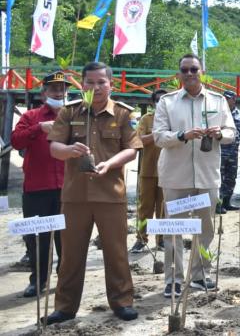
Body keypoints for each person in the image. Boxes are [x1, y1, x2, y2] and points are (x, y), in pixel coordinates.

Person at [46, 62, 142, 323]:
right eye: (90, 82)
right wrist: (69, 151)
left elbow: (132, 149)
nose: (96, 87)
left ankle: (122, 303)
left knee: (116, 252)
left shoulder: (123, 114)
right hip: (75, 195)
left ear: (111, 84)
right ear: (83, 84)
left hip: (110, 195)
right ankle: (65, 307)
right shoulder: (70, 112)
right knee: (70, 254)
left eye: (102, 82)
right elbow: (54, 147)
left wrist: (110, 163)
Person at [153, 54, 235, 298]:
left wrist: (220, 133)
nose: (189, 73)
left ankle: (200, 275)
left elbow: (231, 132)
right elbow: (158, 137)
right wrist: (182, 136)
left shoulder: (218, 100)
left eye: (193, 69)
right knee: (174, 228)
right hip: (175, 177)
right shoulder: (167, 102)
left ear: (202, 71)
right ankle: (174, 279)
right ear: (178, 74)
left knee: (206, 228)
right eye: (184, 70)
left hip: (207, 176)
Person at [11, 71, 68, 298]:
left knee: (66, 238)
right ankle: (38, 280)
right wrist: (39, 128)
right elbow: (16, 141)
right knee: (37, 239)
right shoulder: (31, 116)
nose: (58, 92)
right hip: (36, 188)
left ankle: (64, 278)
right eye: (53, 89)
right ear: (44, 92)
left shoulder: (73, 114)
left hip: (67, 188)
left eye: (62, 88)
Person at [131, 88, 168, 253]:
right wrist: (157, 134)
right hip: (147, 171)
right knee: (145, 207)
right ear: (153, 103)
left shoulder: (173, 120)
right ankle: (141, 239)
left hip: (168, 172)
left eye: (163, 99)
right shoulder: (146, 119)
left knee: (164, 208)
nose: (160, 102)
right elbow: (138, 141)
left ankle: (162, 240)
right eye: (157, 100)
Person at [218, 90, 240, 213]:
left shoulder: (239, 115)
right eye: (224, 98)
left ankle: (227, 202)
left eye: (228, 98)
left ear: (234, 99)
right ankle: (218, 205)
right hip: (220, 151)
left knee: (231, 177)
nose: (226, 100)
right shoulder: (220, 114)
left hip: (233, 152)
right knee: (219, 178)